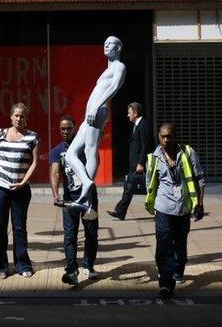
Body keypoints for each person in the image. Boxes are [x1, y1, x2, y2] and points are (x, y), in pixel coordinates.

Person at [0, 103, 39, 279]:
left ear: (27, 118)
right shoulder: (0, 134)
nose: (19, 118)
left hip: (21, 190)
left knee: (20, 228)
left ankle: (23, 265)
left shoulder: (32, 137)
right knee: (0, 228)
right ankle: (1, 267)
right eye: (16, 115)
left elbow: (34, 163)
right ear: (11, 117)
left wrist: (23, 182)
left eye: (23, 116)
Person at [65, 36, 126, 207]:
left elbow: (113, 88)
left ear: (119, 48)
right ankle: (86, 182)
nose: (106, 46)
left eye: (110, 44)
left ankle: (86, 191)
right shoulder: (109, 68)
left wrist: (95, 107)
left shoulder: (119, 66)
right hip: (91, 114)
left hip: (97, 111)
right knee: (70, 154)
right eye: (105, 43)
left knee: (90, 149)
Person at [145, 123, 205, 299]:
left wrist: (200, 204)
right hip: (163, 208)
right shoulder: (154, 157)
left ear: (175, 137)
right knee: (163, 246)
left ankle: (178, 270)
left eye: (169, 136)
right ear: (158, 136)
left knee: (180, 244)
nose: (166, 140)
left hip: (183, 208)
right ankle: (165, 283)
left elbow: (199, 178)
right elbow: (150, 183)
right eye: (163, 136)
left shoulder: (187, 153)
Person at [50, 116, 99, 285]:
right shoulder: (57, 151)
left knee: (91, 233)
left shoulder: (85, 147)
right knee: (69, 236)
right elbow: (55, 172)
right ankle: (72, 271)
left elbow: (94, 162)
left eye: (68, 128)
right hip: (69, 198)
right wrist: (55, 194)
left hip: (89, 197)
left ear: (75, 128)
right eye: (62, 129)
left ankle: (89, 266)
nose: (65, 132)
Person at [107, 102, 152, 220]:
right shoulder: (137, 125)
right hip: (135, 164)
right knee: (129, 187)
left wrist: (141, 163)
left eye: (129, 113)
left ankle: (161, 209)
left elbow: (144, 146)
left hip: (139, 164)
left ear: (135, 113)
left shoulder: (143, 125)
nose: (128, 115)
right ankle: (120, 211)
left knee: (145, 188)